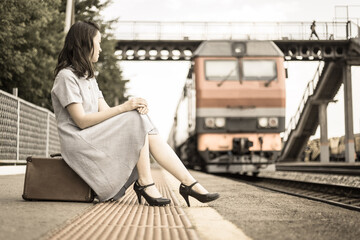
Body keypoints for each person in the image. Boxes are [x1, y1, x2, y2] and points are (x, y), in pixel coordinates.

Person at [51, 21, 219, 206]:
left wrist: (133, 108)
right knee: (135, 118)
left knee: (139, 117)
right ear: (85, 44)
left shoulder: (89, 78)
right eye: (98, 42)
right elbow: (81, 121)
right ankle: (148, 183)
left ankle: (187, 183)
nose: (100, 48)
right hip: (79, 142)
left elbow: (106, 112)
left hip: (92, 136)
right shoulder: (66, 77)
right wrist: (125, 107)